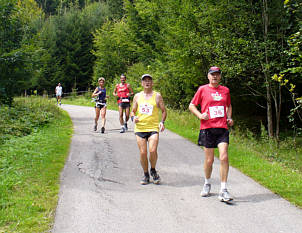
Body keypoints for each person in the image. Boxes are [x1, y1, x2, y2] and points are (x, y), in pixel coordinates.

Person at [189, 66, 234, 202]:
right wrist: (200, 115)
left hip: (222, 128)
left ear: (220, 76)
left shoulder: (225, 90)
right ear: (208, 76)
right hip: (207, 128)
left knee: (224, 157)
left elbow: (228, 105)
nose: (215, 77)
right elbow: (191, 105)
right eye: (212, 74)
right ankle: (207, 183)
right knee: (209, 160)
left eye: (217, 74)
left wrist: (229, 117)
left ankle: (223, 189)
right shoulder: (202, 89)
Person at [130, 74, 167, 185]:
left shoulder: (157, 96)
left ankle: (153, 170)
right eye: (145, 81)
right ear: (142, 83)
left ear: (152, 83)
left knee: (152, 150)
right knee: (143, 153)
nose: (147, 82)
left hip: (153, 128)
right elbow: (133, 111)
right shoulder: (137, 96)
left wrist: (162, 122)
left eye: (149, 81)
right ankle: (146, 174)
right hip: (140, 128)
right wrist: (133, 117)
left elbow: (164, 111)